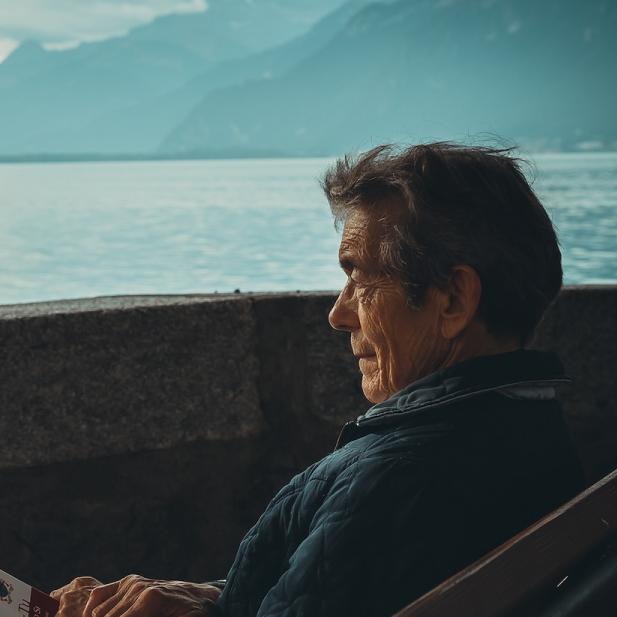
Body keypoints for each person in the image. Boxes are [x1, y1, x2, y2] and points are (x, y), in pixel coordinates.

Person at [52, 142, 585, 617]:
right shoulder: (528, 433)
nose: (339, 313)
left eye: (359, 276)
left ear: (453, 300)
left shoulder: (396, 481)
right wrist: (213, 601)